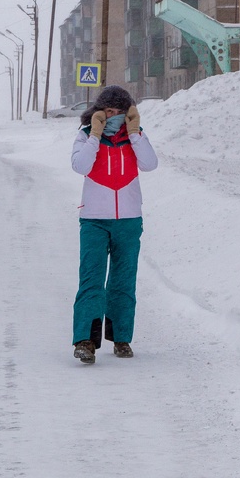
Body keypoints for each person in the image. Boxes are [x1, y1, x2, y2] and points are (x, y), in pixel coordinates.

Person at [69, 85, 158, 364]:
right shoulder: (85, 136)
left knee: (123, 281)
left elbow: (150, 164)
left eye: (120, 111)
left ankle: (121, 339)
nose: (114, 115)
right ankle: (85, 340)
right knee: (92, 281)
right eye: (109, 111)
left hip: (129, 220)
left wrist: (134, 133)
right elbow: (80, 166)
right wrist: (95, 135)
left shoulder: (136, 137)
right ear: (99, 111)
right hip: (94, 220)